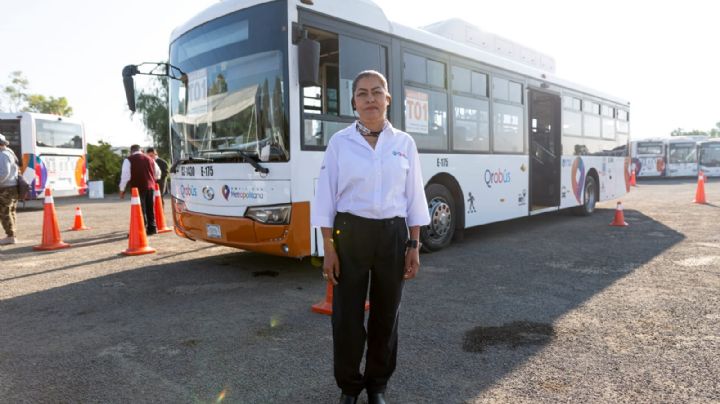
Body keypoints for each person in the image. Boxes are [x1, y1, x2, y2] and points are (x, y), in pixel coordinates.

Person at [311, 70, 430, 404]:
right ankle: (349, 387)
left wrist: (413, 244)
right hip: (350, 234)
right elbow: (326, 198)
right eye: (362, 93)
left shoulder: (404, 143)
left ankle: (377, 385)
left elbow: (414, 197)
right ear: (354, 102)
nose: (370, 99)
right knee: (347, 317)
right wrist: (329, 249)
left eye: (377, 92)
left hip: (393, 234)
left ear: (388, 99)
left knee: (386, 314)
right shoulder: (340, 143)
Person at [119, 144, 161, 235]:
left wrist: (122, 190)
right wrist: (153, 180)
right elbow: (158, 172)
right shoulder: (150, 159)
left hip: (137, 189)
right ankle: (152, 228)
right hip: (151, 187)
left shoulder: (128, 160)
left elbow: (125, 176)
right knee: (150, 208)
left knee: (140, 209)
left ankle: (141, 229)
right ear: (141, 150)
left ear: (131, 151)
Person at [0, 133, 20, 245]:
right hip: (12, 187)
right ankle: (11, 235)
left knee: (5, 212)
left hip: (5, 189)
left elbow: (4, 173)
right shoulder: (9, 152)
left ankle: (10, 236)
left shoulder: (2, 155)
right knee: (10, 212)